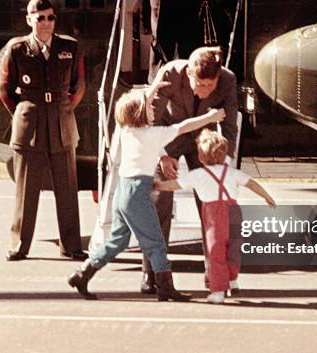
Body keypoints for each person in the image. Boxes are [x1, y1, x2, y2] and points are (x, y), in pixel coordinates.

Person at [68, 85, 226, 301]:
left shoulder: (126, 130)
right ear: (142, 113)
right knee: (156, 242)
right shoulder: (154, 134)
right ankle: (165, 287)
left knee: (118, 241)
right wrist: (210, 117)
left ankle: (83, 273)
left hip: (123, 191)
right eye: (150, 107)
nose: (154, 109)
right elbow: (184, 127)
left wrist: (153, 89)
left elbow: (137, 104)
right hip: (138, 193)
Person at [140, 46, 239, 294]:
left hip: (203, 143)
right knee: (159, 201)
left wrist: (222, 161)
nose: (204, 91)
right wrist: (162, 156)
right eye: (200, 85)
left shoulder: (227, 79)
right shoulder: (170, 73)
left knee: (212, 208)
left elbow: (229, 124)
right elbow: (150, 119)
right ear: (189, 73)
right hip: (168, 137)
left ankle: (217, 275)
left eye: (210, 86)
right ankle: (152, 273)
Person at [0, 0, 87, 261]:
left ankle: (71, 246)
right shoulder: (17, 48)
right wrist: (23, 111)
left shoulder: (70, 46)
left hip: (61, 120)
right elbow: (4, 87)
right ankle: (18, 245)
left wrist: (65, 108)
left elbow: (79, 85)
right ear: (29, 20)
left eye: (50, 18)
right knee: (27, 188)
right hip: (30, 122)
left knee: (67, 187)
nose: (46, 23)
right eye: (40, 18)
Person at [155, 129, 276, 304]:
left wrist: (157, 185)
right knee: (233, 250)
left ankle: (218, 291)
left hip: (214, 215)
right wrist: (267, 196)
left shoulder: (197, 175)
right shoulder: (232, 173)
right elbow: (252, 183)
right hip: (234, 212)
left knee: (216, 253)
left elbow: (174, 185)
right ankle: (232, 280)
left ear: (201, 157)